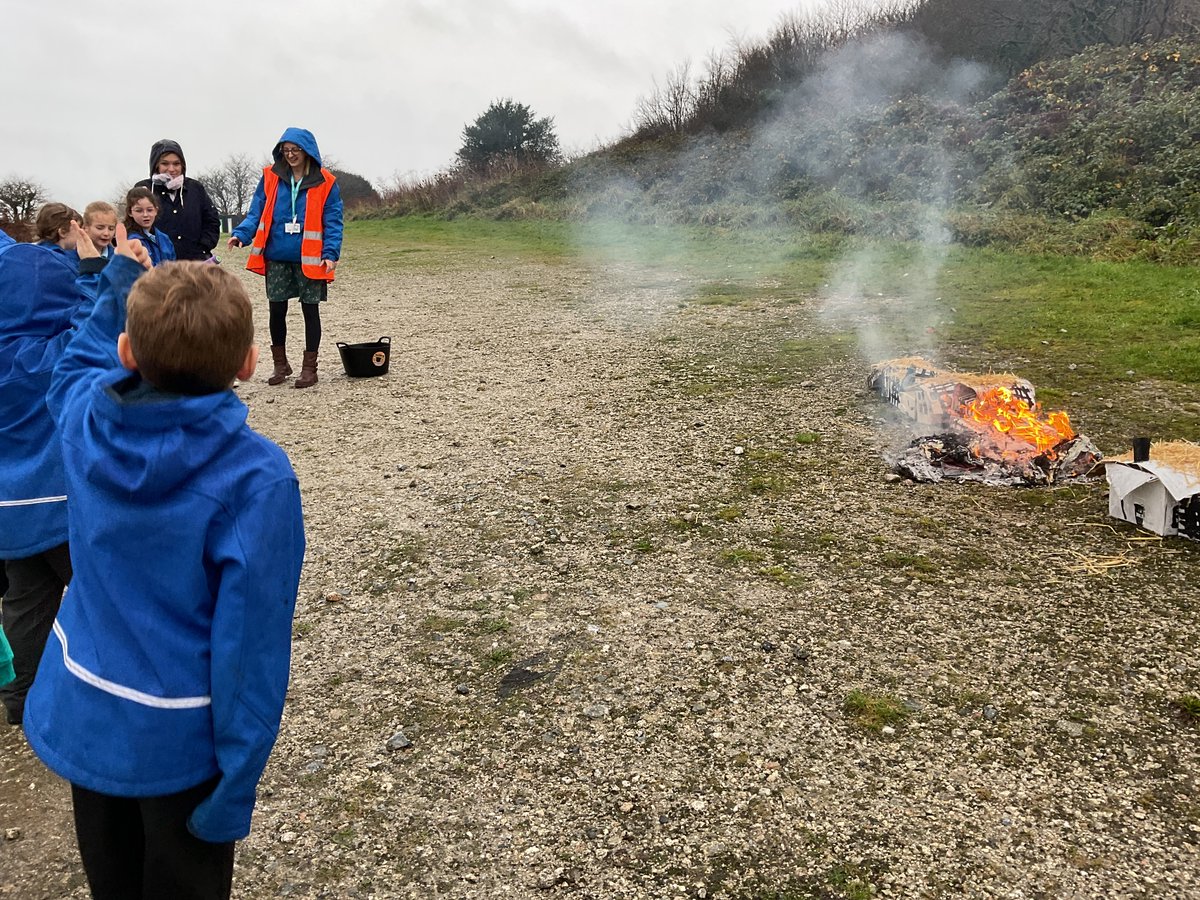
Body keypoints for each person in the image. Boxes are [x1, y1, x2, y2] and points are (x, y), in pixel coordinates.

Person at [25, 223, 306, 900]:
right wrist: (236, 783)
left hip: (85, 717)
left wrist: (118, 280)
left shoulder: (81, 420)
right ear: (245, 363)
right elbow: (250, 648)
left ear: (128, 352)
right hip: (180, 745)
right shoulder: (258, 479)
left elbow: (73, 369)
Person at [0, 223, 89, 725]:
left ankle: (20, 698)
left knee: (24, 605)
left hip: (8, 515)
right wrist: (97, 269)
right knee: (97, 593)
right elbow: (97, 326)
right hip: (60, 508)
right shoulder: (56, 356)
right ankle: (104, 680)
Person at [229, 127, 342, 388]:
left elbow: (334, 221)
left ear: (308, 151)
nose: (290, 155)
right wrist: (241, 235)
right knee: (276, 309)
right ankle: (281, 365)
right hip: (277, 256)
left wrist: (331, 253)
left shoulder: (327, 182)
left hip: (310, 259)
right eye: (286, 150)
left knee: (310, 311)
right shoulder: (270, 177)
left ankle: (309, 369)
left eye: (295, 150)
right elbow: (256, 211)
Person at [135, 139, 220, 262]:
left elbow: (212, 221)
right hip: (157, 265)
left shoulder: (195, 188)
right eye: (165, 163)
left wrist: (203, 248)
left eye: (176, 164)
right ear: (156, 165)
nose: (171, 169)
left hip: (193, 264)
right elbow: (134, 225)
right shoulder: (144, 189)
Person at [123, 186, 176, 266]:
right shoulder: (131, 241)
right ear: (130, 213)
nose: (145, 215)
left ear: (156, 210)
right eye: (139, 211)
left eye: (150, 210)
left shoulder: (164, 239)